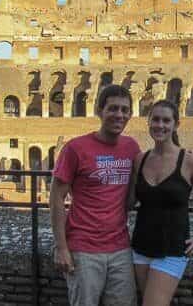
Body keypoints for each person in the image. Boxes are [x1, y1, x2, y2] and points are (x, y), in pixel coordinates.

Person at [50, 84, 141, 305]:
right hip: (83, 248)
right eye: (113, 109)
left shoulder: (131, 147)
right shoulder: (75, 148)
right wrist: (62, 247)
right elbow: (56, 199)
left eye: (124, 110)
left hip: (120, 247)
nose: (119, 115)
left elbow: (132, 195)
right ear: (99, 111)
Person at [130, 100, 193, 306]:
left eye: (166, 120)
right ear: (148, 122)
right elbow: (130, 200)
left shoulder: (191, 162)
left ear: (176, 124)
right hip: (141, 246)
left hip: (172, 249)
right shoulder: (140, 160)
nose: (160, 125)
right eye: (155, 119)